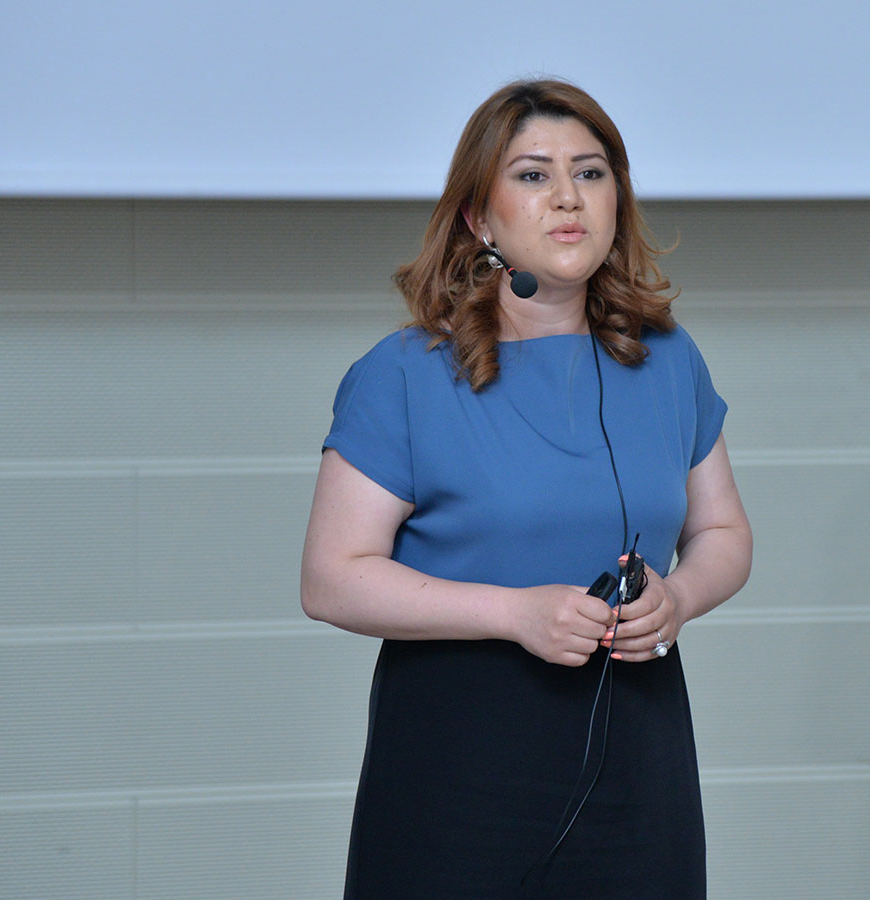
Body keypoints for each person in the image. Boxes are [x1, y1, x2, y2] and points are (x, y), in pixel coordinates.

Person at [300, 78, 752, 900]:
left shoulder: (667, 358)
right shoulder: (403, 375)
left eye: (591, 172)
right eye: (534, 175)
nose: (568, 197)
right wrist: (513, 613)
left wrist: (679, 599)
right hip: (458, 774)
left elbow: (722, 534)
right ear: (480, 217)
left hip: (639, 766)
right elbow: (331, 578)